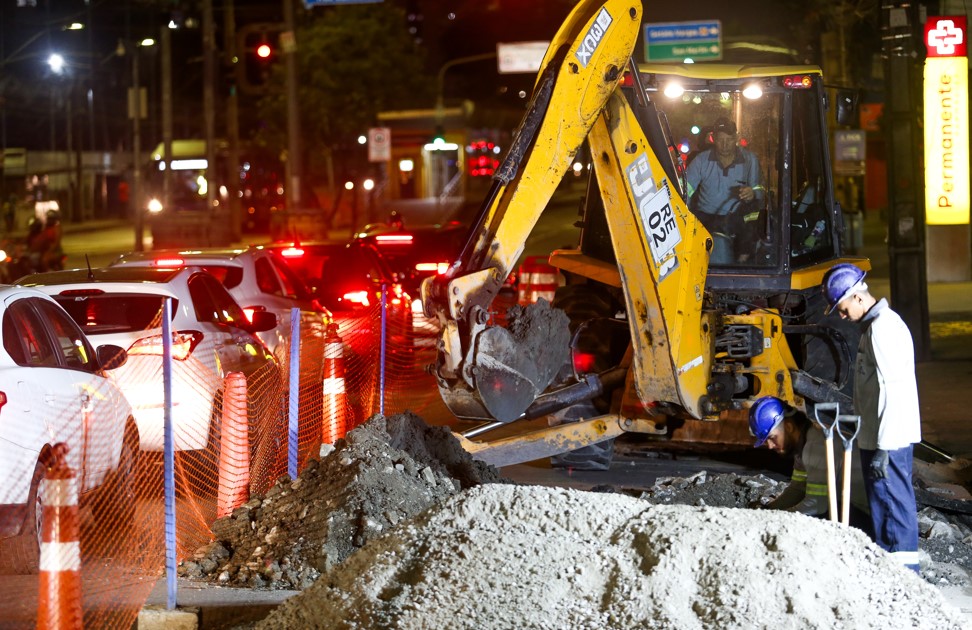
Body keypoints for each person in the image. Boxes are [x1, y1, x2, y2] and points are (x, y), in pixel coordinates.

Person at [822, 262, 922, 573]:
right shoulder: (874, 328)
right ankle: (895, 577)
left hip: (887, 440)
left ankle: (905, 580)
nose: (841, 315)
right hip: (878, 437)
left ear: (857, 297)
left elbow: (894, 391)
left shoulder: (883, 329)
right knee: (885, 510)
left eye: (841, 308)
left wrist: (884, 448)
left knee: (893, 510)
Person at [749, 396, 871, 534]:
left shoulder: (815, 446)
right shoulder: (803, 445)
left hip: (868, 511)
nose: (770, 446)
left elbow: (815, 505)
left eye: (772, 438)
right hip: (852, 504)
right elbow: (797, 488)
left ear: (788, 427)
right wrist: (769, 510)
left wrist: (776, 519)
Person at [684, 116, 764, 263]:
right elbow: (686, 190)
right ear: (713, 139)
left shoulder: (750, 160)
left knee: (753, 219)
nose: (725, 145)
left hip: (737, 220)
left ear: (736, 138)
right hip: (706, 219)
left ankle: (743, 260)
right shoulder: (701, 160)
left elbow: (760, 190)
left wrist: (753, 193)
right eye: (721, 140)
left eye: (729, 140)